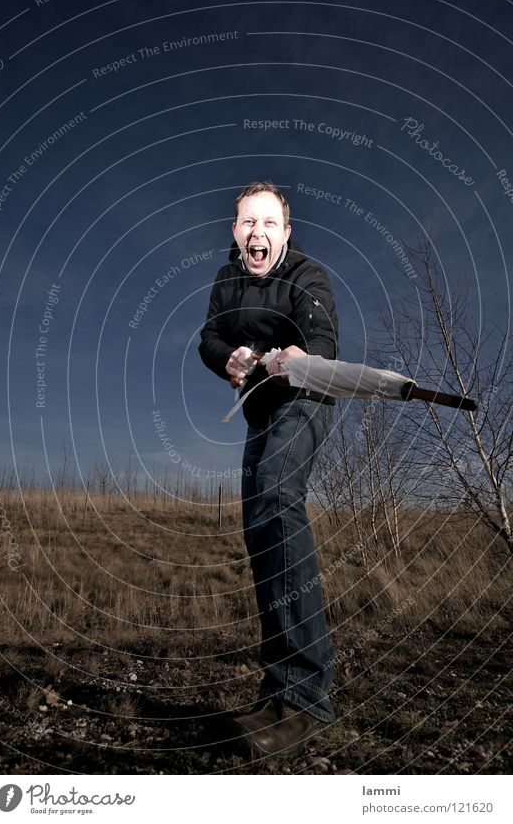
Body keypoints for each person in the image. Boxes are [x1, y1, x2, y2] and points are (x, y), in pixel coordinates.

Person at [198, 180, 338, 758]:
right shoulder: (227, 282)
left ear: (285, 230)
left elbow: (324, 339)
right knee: (260, 527)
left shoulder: (307, 274)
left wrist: (301, 358)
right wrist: (226, 357)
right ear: (236, 232)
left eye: (269, 224)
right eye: (247, 223)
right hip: (258, 411)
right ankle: (277, 685)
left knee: (278, 493)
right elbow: (208, 338)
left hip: (306, 398)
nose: (258, 233)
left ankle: (305, 697)